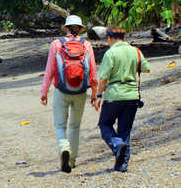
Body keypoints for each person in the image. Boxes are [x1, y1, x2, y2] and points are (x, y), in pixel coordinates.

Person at [40, 15, 98, 173]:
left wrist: (44, 92)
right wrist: (94, 93)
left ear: (66, 28)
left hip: (61, 91)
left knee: (60, 125)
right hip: (81, 91)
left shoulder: (56, 44)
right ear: (80, 29)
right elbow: (93, 71)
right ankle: (71, 160)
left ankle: (64, 147)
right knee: (75, 126)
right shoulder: (86, 45)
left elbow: (50, 70)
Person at [93, 26, 150, 172]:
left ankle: (117, 145)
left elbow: (104, 78)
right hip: (132, 95)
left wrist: (98, 96)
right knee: (125, 130)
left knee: (105, 124)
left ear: (110, 38)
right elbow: (146, 68)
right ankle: (122, 165)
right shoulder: (135, 51)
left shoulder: (110, 53)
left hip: (114, 94)